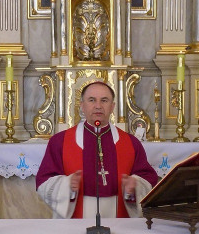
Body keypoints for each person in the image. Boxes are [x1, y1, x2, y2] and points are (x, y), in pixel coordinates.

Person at [36, 80, 158, 219]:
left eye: (104, 100)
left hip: (120, 219)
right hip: (74, 221)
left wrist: (135, 186)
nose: (98, 106)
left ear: (112, 106)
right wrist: (66, 186)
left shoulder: (131, 143)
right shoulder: (59, 141)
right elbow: (43, 181)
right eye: (92, 100)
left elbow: (148, 178)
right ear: (82, 105)